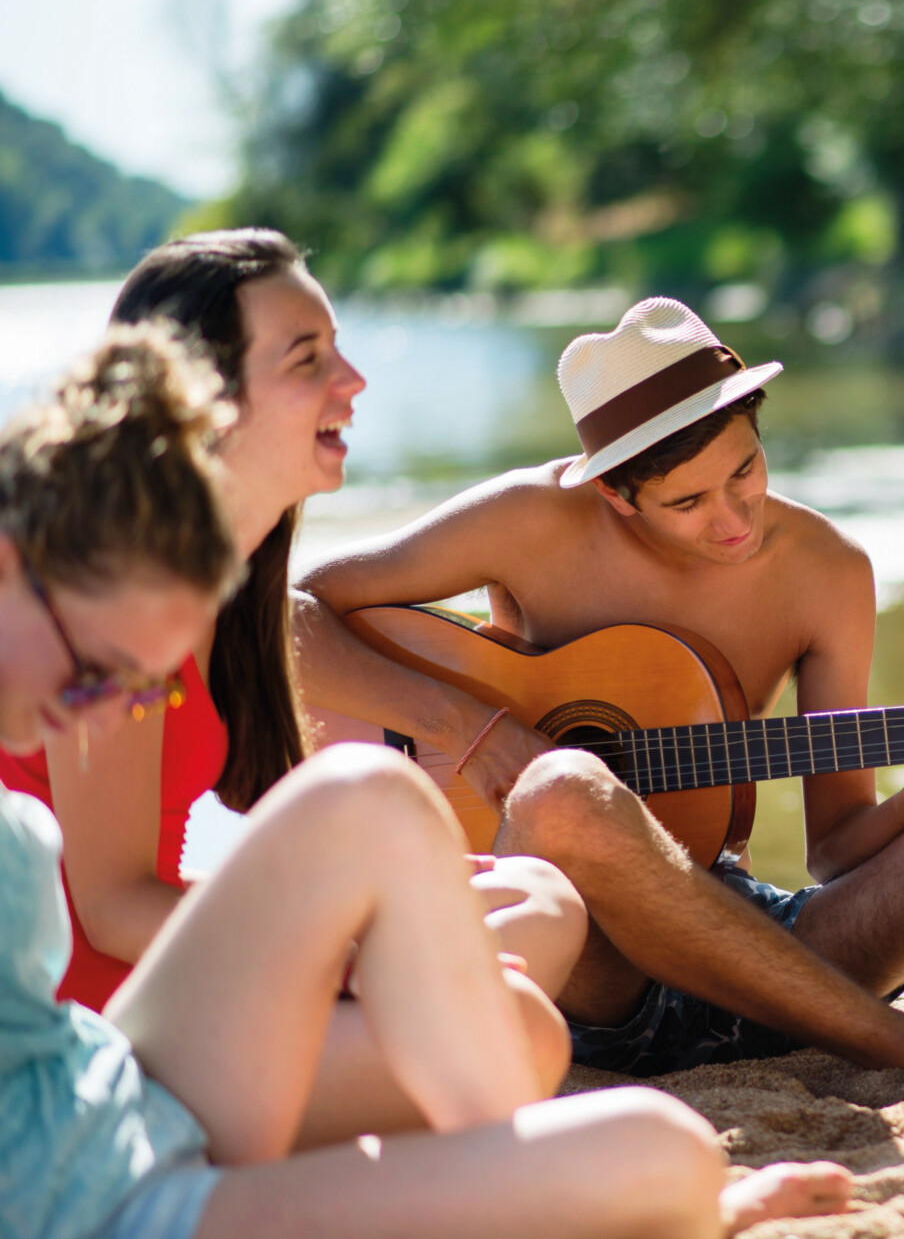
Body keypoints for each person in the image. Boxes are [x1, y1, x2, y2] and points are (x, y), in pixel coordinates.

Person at [0, 327, 849, 1239]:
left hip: (113, 1094)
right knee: (649, 1145)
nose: (96, 715)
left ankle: (513, 1166)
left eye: (137, 685)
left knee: (378, 798)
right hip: (113, 1201)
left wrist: (367, 940)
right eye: (101, 674)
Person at [293, 296, 904, 1117]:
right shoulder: (527, 522)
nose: (733, 519)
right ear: (616, 493)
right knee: (563, 790)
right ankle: (901, 1046)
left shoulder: (827, 570)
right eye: (688, 503)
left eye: (746, 471)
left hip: (748, 940)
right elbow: (287, 616)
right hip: (588, 966)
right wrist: (468, 726)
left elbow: (836, 848)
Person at [0, 229, 588, 1148]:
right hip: (108, 1019)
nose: (352, 382)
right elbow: (108, 908)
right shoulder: (116, 604)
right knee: (519, 1029)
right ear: (202, 395)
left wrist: (378, 915)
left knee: (538, 901)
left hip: (171, 974)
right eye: (308, 359)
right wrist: (349, 957)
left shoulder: (230, 590)